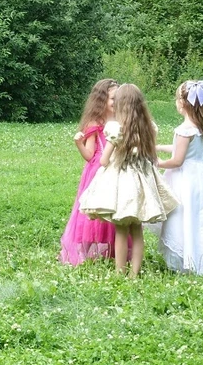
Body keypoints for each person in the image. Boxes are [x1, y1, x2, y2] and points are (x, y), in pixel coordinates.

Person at [79, 84, 179, 277]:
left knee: (121, 231)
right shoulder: (149, 128)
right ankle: (134, 273)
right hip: (142, 183)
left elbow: (104, 160)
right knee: (137, 230)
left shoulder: (116, 129)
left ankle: (119, 273)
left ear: (121, 105)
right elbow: (151, 155)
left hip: (122, 184)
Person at [155, 80, 203, 275]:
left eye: (176, 99)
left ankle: (186, 256)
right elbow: (182, 150)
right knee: (201, 216)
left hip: (184, 179)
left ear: (182, 103)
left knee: (182, 215)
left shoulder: (183, 130)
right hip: (199, 177)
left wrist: (157, 162)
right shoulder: (197, 127)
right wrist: (157, 147)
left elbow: (177, 161)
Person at [58, 79, 121, 264]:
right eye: (112, 98)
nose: (116, 102)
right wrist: (79, 143)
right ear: (101, 100)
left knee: (114, 211)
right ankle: (84, 253)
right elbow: (89, 154)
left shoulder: (120, 120)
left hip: (117, 170)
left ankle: (112, 250)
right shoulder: (95, 123)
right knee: (91, 215)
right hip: (97, 172)